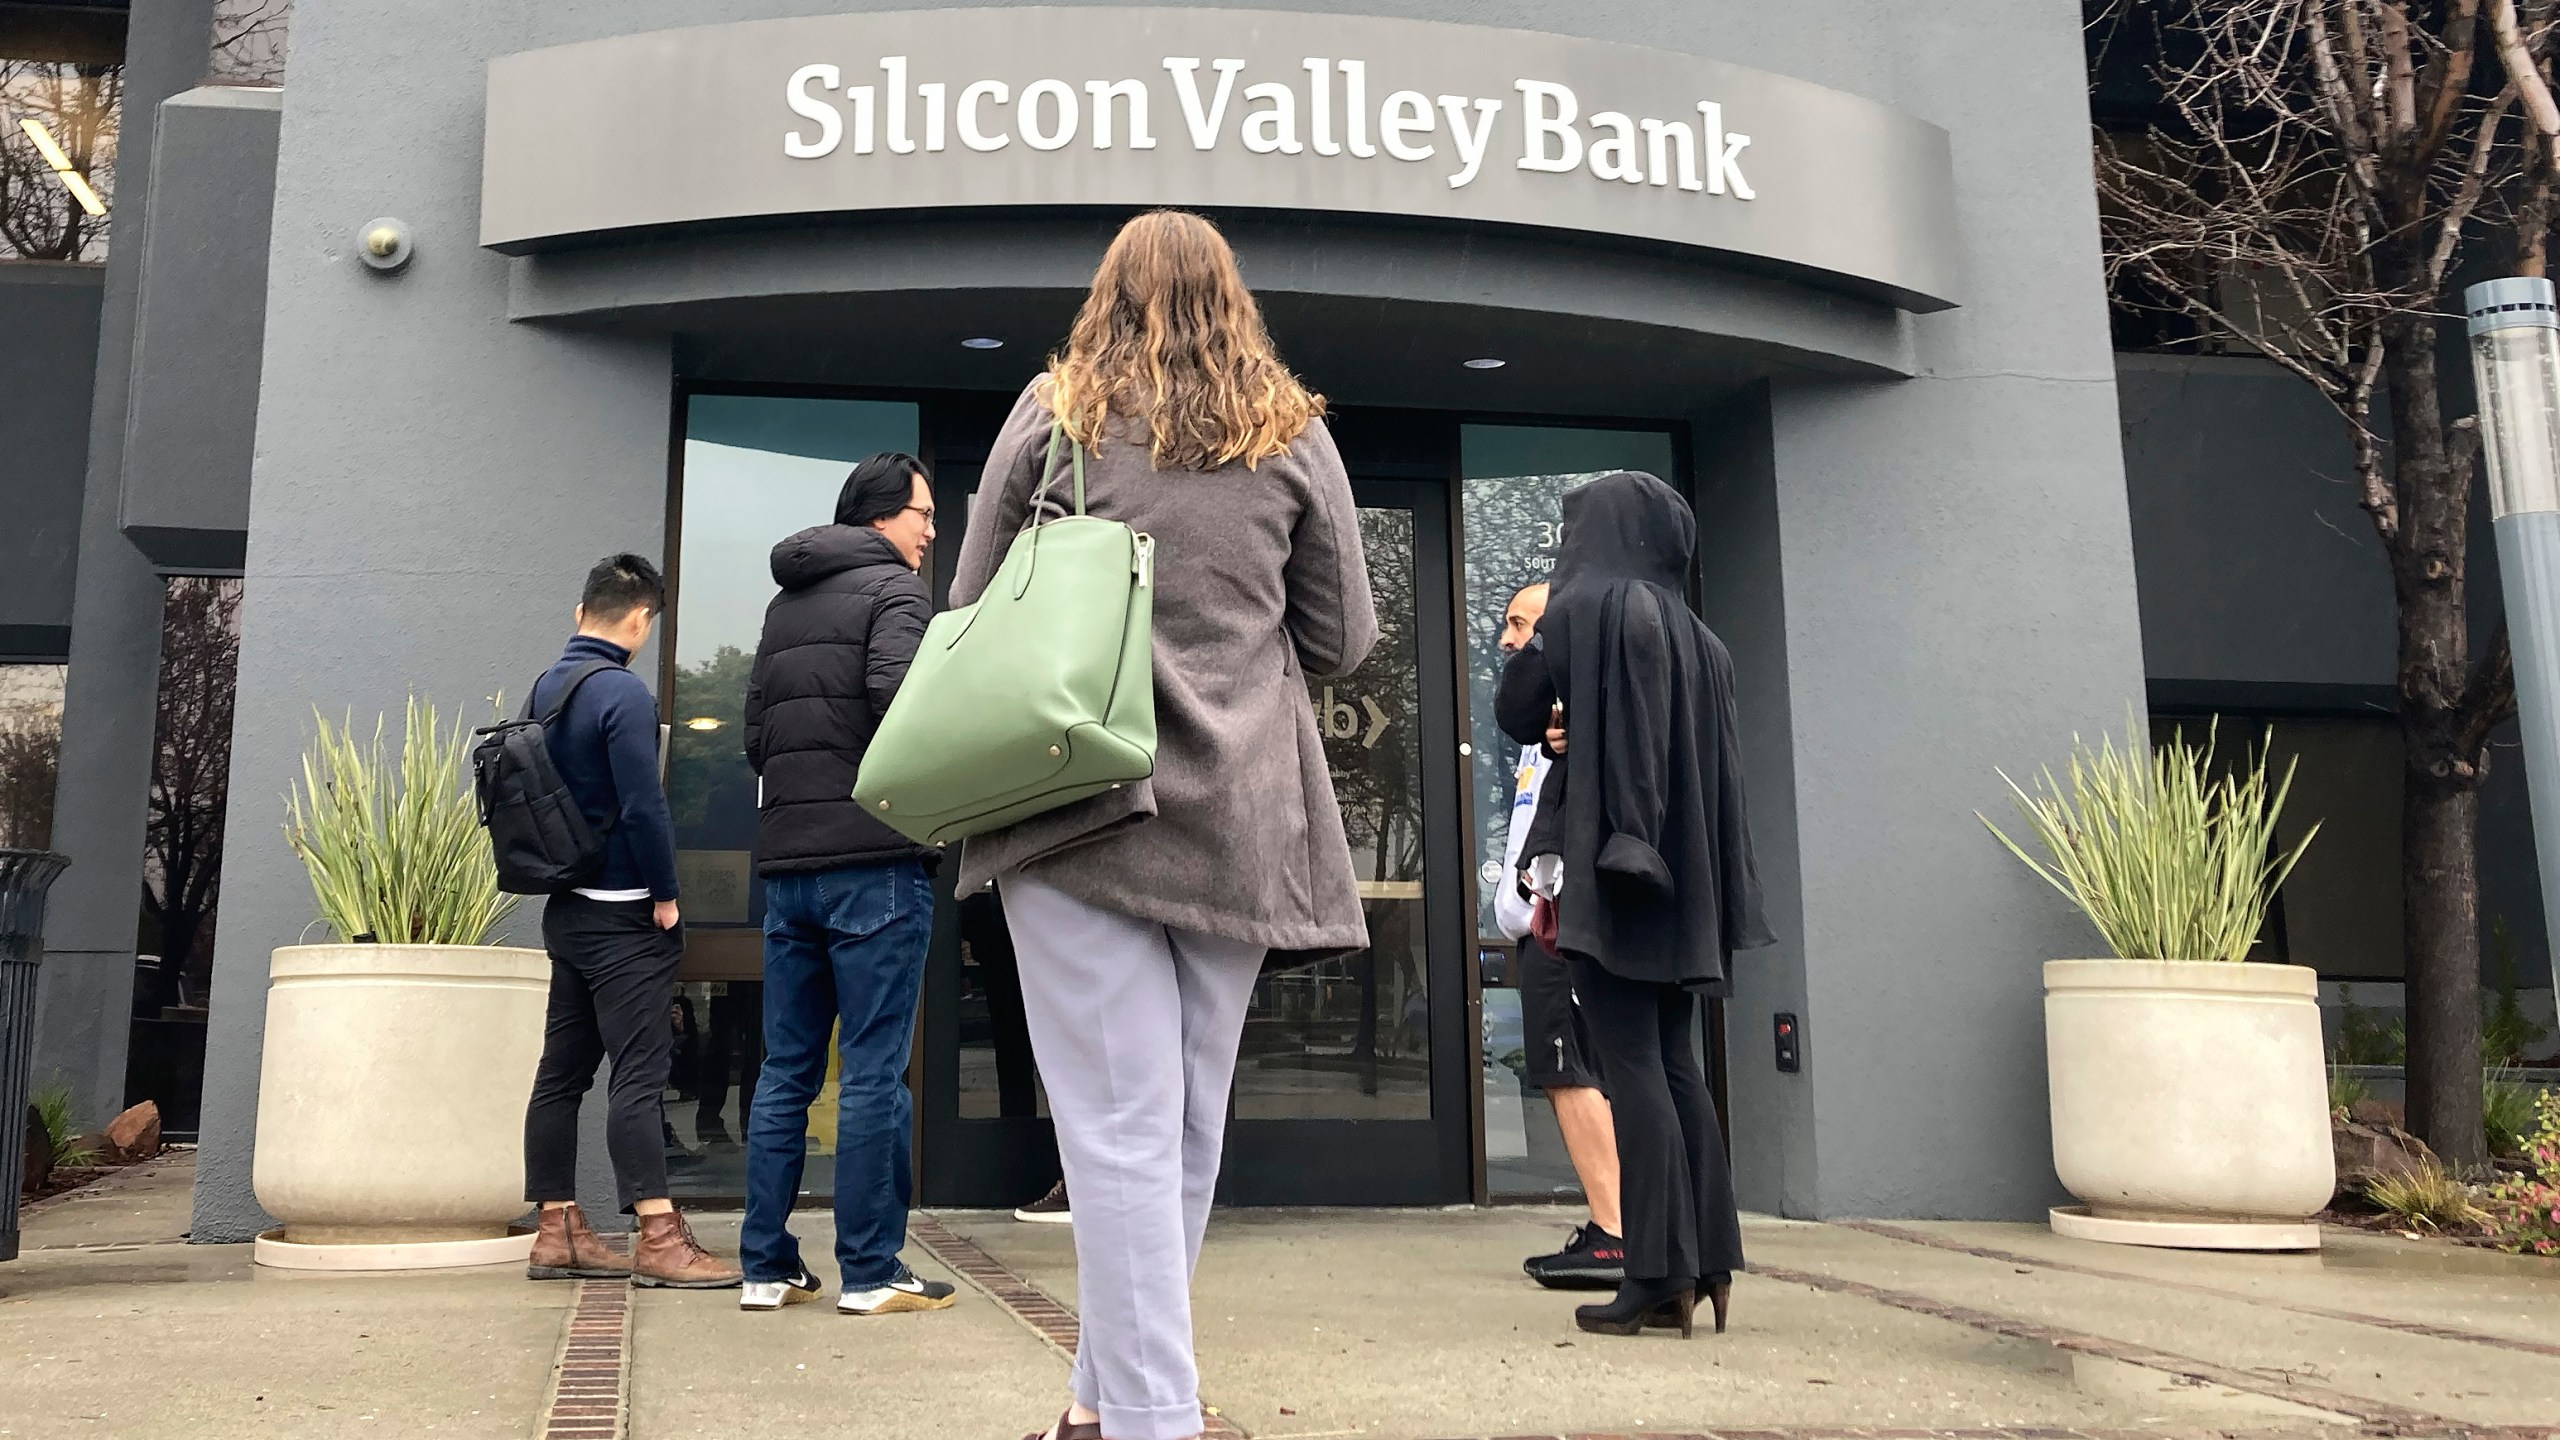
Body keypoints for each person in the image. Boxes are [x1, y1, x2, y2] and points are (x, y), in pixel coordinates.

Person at [952, 209, 1376, 1440]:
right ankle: (1104, 1404)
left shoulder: (1058, 413)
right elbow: (1344, 638)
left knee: (1119, 1129)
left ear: (1108, 293)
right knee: (1182, 1127)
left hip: (1073, 808)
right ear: (1231, 297)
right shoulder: (1292, 433)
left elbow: (974, 601)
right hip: (1240, 816)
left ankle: (1150, 1421)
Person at [1497, 471, 1772, 1340]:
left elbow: (1513, 708)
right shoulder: (1701, 640)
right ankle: (1710, 1260)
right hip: (1686, 882)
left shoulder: (1585, 613)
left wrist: (1550, 677)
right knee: (1677, 1062)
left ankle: (1653, 1271)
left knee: (1629, 1068)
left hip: (1615, 868)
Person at [735, 451, 957, 1317]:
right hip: (876, 865)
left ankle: (765, 1266)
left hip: (789, 870)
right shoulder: (896, 594)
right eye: (923, 515)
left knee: (786, 1070)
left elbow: (756, 738)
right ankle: (870, 1271)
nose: (931, 532)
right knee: (871, 1073)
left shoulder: (785, 604)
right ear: (878, 517)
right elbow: (901, 701)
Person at [521, 553, 742, 1289]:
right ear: (642, 619)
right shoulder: (622, 694)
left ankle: (556, 1229)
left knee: (560, 1075)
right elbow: (645, 807)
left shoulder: (547, 688)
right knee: (639, 1078)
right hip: (622, 916)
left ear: (580, 611)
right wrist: (668, 896)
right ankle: (656, 1233)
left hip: (566, 912)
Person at [1493, 581, 1626, 1290]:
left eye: (1524, 626)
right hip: (1539, 925)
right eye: (1510, 625)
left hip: (1561, 929)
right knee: (1570, 1072)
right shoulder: (1541, 733)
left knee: (1570, 1071)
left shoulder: (1577, 724)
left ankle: (1614, 1231)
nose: (1511, 640)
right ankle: (1621, 1225)